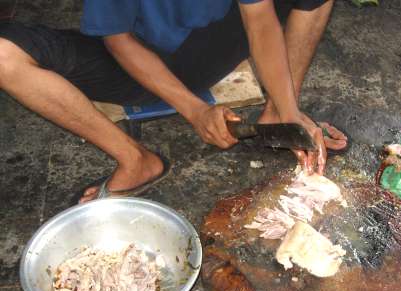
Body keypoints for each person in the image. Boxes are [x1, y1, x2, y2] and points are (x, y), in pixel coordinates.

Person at [0, 0, 347, 203]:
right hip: (131, 65)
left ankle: (276, 116)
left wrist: (287, 111)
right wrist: (195, 110)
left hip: (205, 53)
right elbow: (117, 40)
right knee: (4, 53)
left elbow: (259, 21)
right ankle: (136, 160)